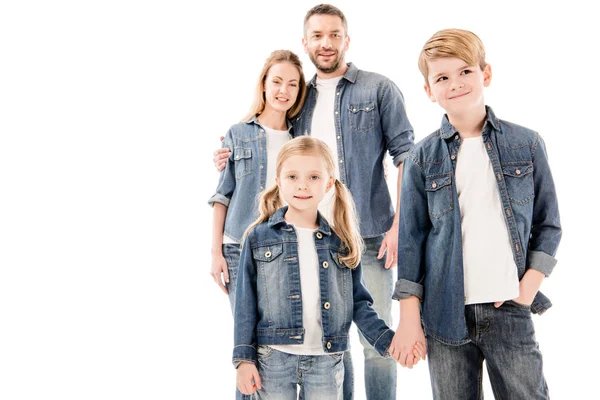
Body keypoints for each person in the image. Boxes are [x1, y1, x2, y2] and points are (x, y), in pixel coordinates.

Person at [215, 5, 415, 399]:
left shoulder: (378, 89)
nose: (326, 44)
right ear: (305, 42)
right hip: (302, 232)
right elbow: (268, 136)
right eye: (317, 36)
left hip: (369, 234)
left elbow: (406, 155)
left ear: (347, 39)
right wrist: (229, 153)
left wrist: (398, 226)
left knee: (374, 341)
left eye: (334, 35)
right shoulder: (299, 97)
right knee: (329, 336)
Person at [389, 29, 562, 400]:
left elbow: (548, 223)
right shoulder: (421, 158)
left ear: (486, 74)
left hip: (509, 309)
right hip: (444, 314)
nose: (455, 84)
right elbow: (411, 243)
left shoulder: (526, 144)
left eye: (465, 71)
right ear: (428, 91)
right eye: (442, 78)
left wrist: (528, 286)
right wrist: (409, 319)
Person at [233, 136, 423, 399]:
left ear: (329, 183)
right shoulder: (258, 237)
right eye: (292, 177)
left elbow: (359, 304)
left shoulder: (340, 243)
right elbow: (245, 304)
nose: (302, 185)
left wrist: (389, 342)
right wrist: (244, 359)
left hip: (325, 361)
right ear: (278, 181)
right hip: (273, 358)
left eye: (313, 177)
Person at [208, 49, 307, 399]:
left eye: (293, 84)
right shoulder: (238, 134)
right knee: (245, 338)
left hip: (281, 249)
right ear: (264, 85)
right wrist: (216, 253)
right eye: (277, 81)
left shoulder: (300, 140)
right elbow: (223, 196)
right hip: (237, 249)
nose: (284, 90)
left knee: (274, 339)